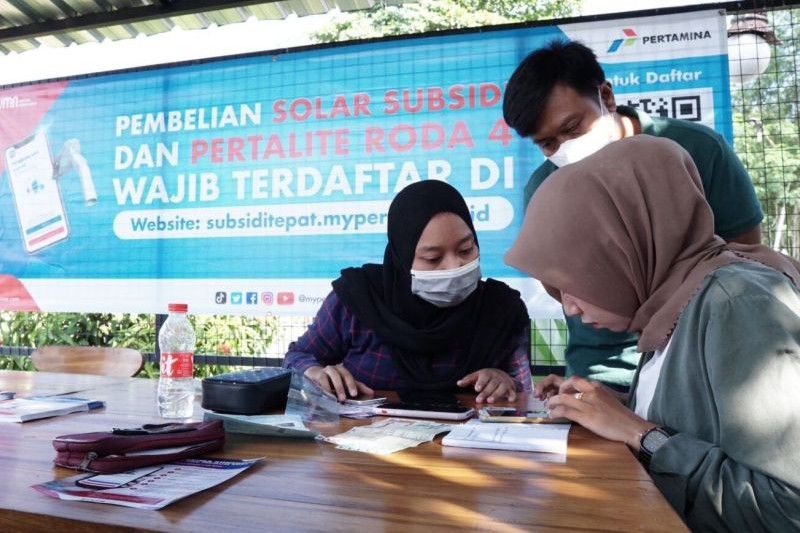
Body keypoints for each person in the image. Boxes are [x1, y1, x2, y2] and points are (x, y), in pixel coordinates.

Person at [505, 134, 800, 531]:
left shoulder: (736, 303)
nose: (569, 307)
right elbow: (704, 419)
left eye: (575, 278)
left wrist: (639, 433)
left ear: (627, 248)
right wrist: (616, 406)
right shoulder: (670, 304)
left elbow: (786, 508)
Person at [502, 39, 764, 390]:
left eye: (572, 128)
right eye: (547, 143)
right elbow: (564, 289)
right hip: (600, 375)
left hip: (699, 370)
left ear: (606, 97)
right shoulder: (544, 188)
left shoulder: (698, 150)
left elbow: (741, 261)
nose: (564, 149)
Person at [283, 179, 531, 403]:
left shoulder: (500, 310)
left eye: (466, 250)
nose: (455, 266)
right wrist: (314, 373)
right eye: (433, 258)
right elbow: (297, 357)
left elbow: (523, 392)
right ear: (402, 259)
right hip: (362, 446)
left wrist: (504, 382)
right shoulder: (358, 301)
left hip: (467, 449)